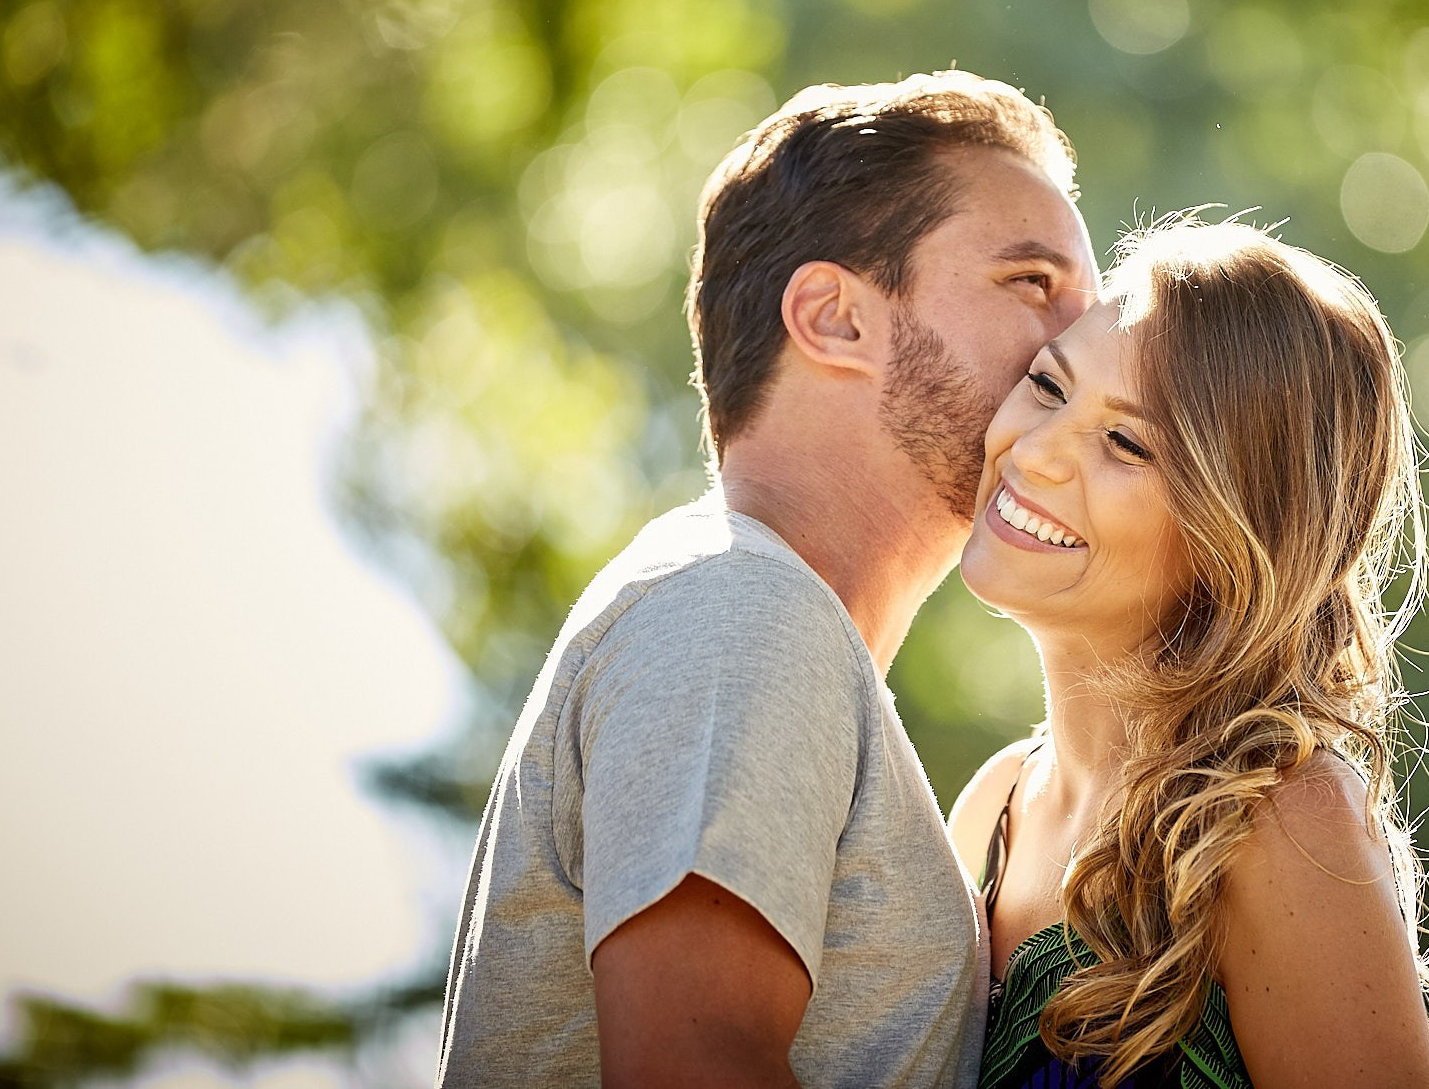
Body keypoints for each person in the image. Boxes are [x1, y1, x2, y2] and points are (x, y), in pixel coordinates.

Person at [437, 71, 1099, 1088]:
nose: (1078, 346)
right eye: (1029, 283)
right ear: (834, 319)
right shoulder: (742, 613)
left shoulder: (766, 626)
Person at [949, 218, 1429, 1087]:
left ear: (1234, 535)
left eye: (1126, 443)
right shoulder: (991, 811)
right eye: (1050, 385)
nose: (1037, 451)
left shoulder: (1277, 823)